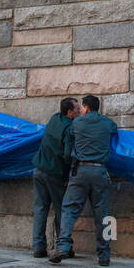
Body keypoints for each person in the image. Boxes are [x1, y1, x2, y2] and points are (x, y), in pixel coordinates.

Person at [50, 94, 117, 266]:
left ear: (86, 108)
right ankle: (104, 255)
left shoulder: (77, 123)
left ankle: (63, 247)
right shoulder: (108, 123)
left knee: (69, 210)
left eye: (82, 108)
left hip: (80, 171)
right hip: (100, 171)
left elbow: (70, 141)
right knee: (103, 214)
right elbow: (114, 134)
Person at [31, 97, 78, 258]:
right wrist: (67, 174)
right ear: (69, 112)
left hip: (38, 169)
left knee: (40, 209)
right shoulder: (69, 127)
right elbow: (67, 154)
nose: (79, 112)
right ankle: (63, 247)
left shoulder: (54, 118)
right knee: (61, 210)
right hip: (54, 173)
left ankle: (38, 247)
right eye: (77, 110)